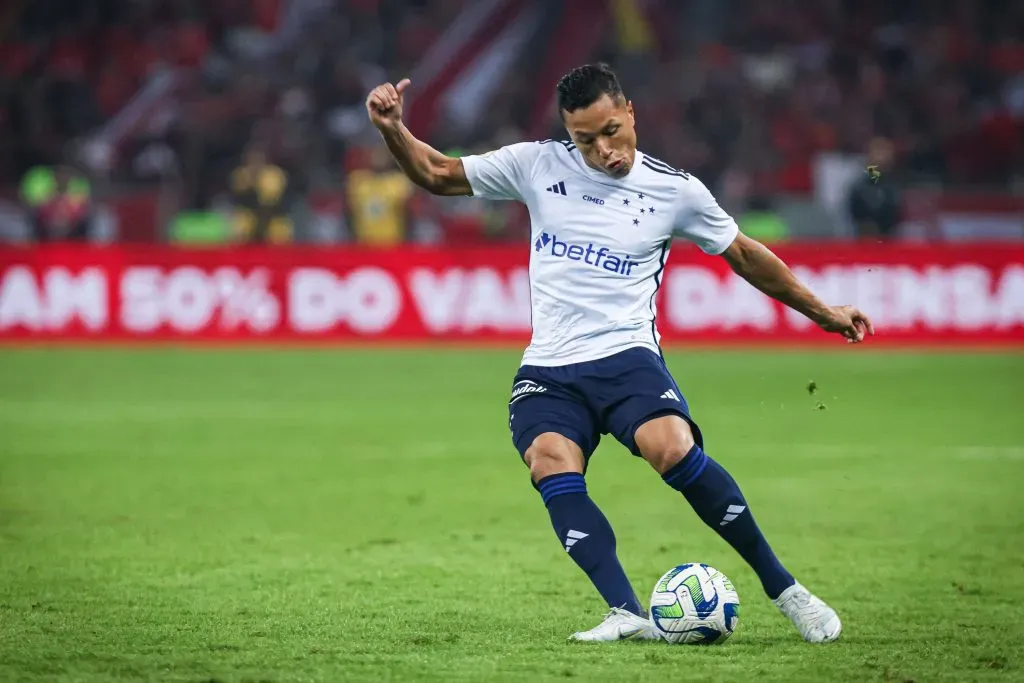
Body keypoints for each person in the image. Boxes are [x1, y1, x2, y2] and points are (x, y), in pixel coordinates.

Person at [365, 63, 873, 643]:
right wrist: (393, 129)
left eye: (612, 130)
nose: (604, 149)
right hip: (550, 367)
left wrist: (825, 312)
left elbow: (745, 255)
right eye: (585, 139)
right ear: (567, 132)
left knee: (671, 447)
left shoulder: (674, 191)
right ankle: (626, 612)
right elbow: (436, 172)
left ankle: (787, 590)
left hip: (626, 357)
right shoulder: (537, 164)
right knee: (549, 462)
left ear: (629, 111)